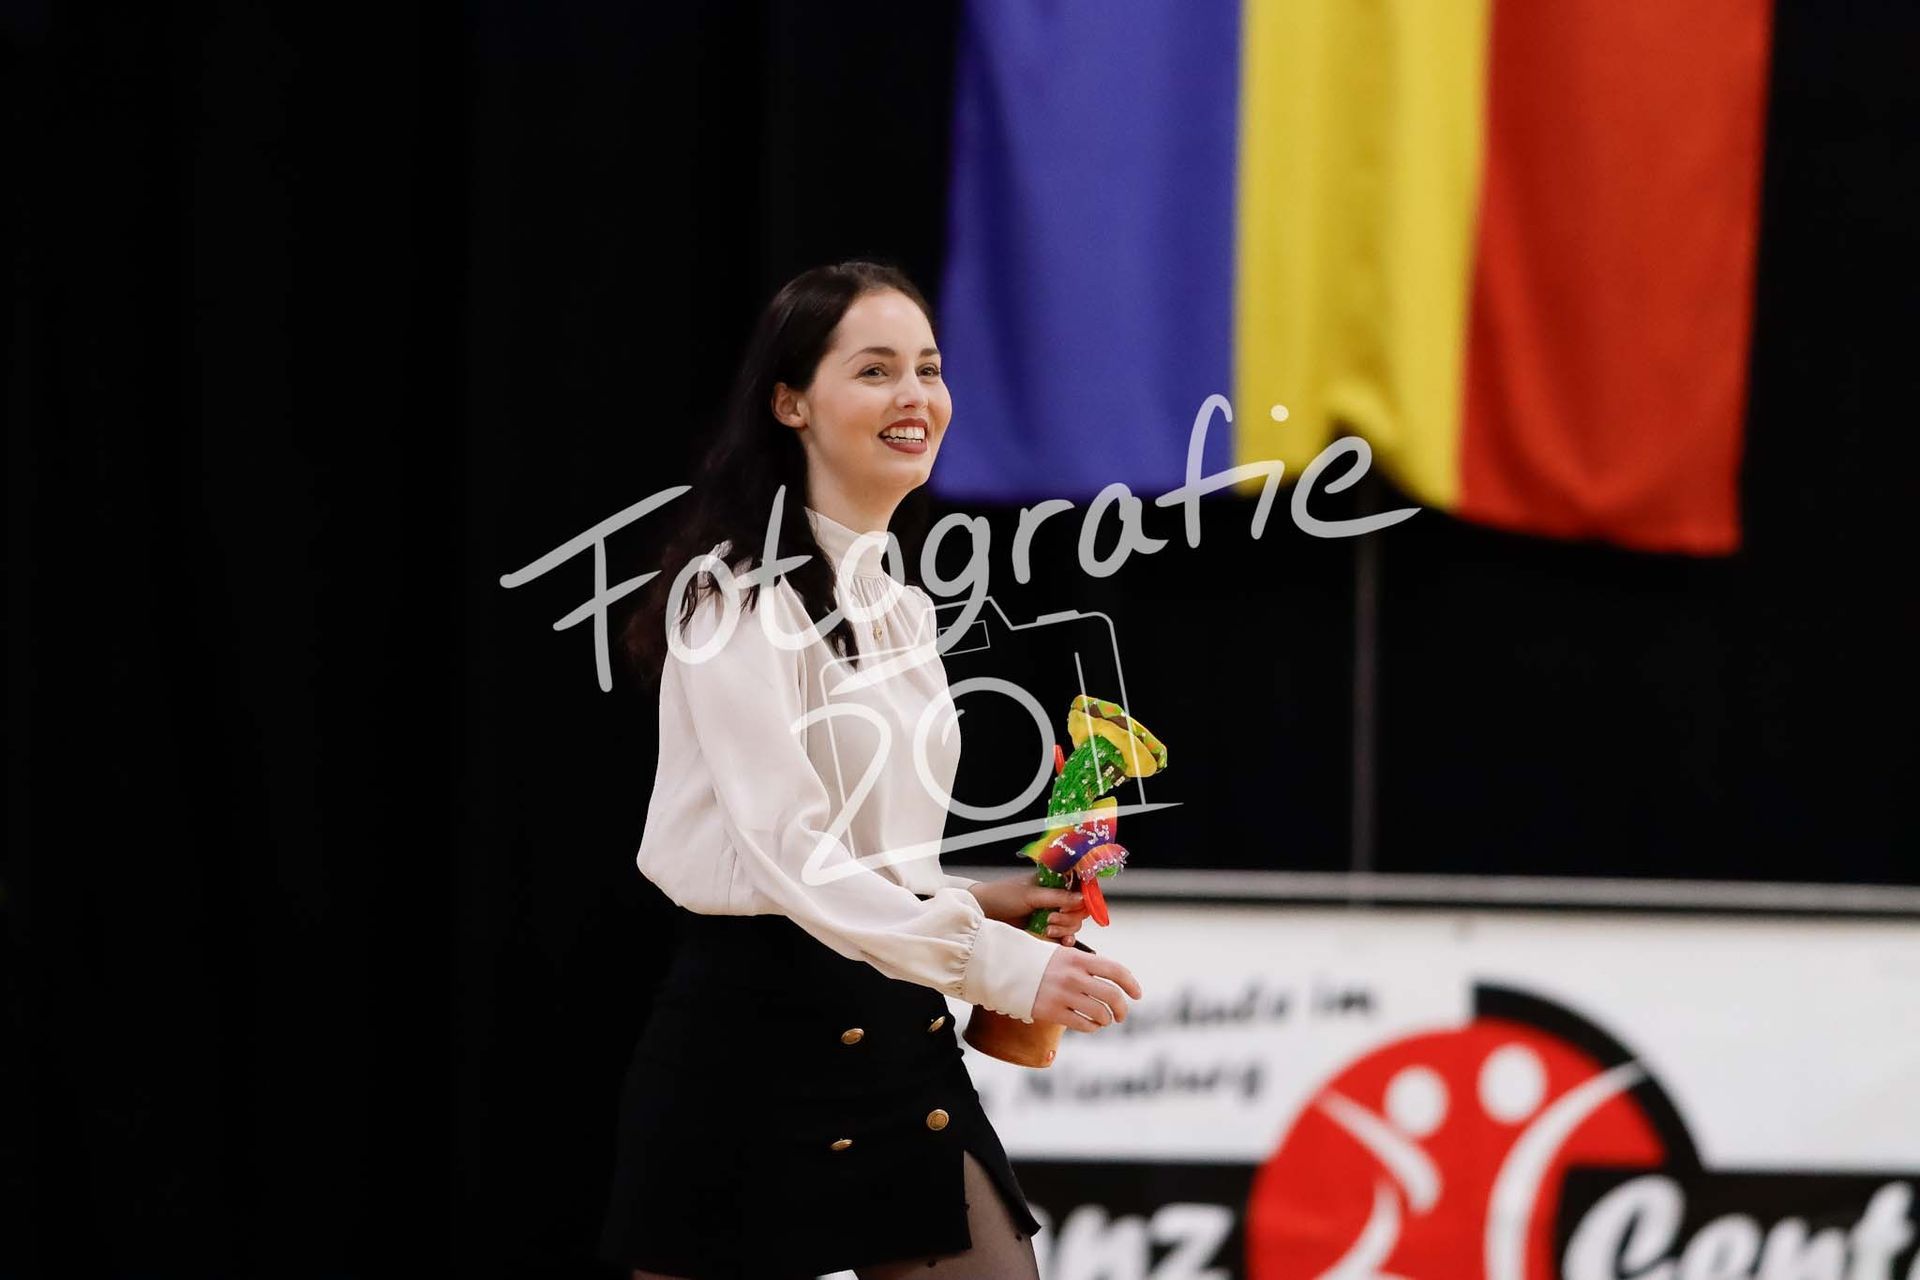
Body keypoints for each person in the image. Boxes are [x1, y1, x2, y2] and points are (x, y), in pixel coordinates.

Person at [598, 261, 1146, 1280]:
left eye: (929, 369)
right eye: (876, 369)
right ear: (790, 402)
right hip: (750, 1046)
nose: (915, 396)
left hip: (896, 1030)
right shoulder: (734, 597)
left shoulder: (900, 604)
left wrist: (972, 899)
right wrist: (1008, 966)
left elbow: (864, 860)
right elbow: (789, 853)